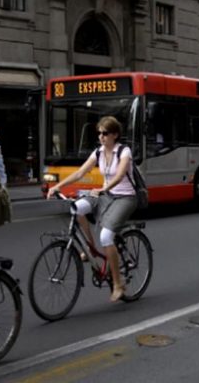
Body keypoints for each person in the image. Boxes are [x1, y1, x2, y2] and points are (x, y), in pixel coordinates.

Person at [47, 116, 136, 302]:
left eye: (105, 133)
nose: (101, 137)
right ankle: (91, 248)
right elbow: (80, 172)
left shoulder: (124, 151)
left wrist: (104, 188)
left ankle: (118, 285)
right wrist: (57, 186)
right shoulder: (99, 152)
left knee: (106, 236)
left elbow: (119, 176)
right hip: (105, 195)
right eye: (99, 133)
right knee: (76, 208)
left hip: (125, 197)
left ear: (115, 135)